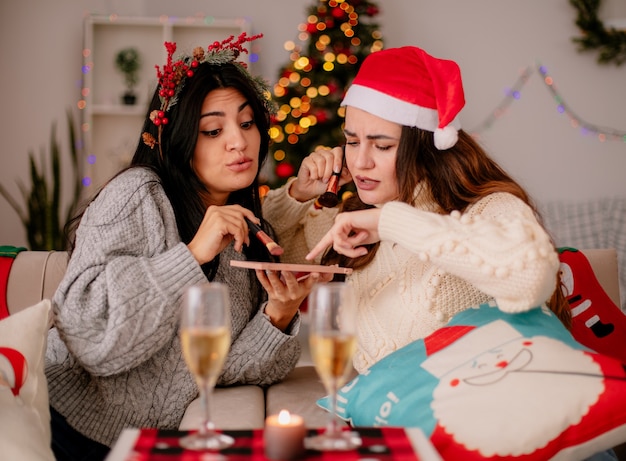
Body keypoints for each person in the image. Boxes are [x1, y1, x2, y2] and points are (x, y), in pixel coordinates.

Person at [45, 33, 329, 460]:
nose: (239, 141)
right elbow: (87, 334)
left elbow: (219, 371)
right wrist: (192, 256)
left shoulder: (241, 231)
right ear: (178, 142)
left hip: (151, 445)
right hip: (61, 426)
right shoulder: (138, 194)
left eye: (247, 123)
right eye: (213, 130)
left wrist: (277, 316)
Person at [262, 45, 571, 375]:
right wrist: (299, 193)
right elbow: (273, 246)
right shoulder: (356, 215)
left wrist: (391, 222)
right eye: (352, 142)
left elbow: (531, 277)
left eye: (382, 146)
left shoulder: (488, 207)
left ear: (427, 148)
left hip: (473, 413)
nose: (361, 161)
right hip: (388, 418)